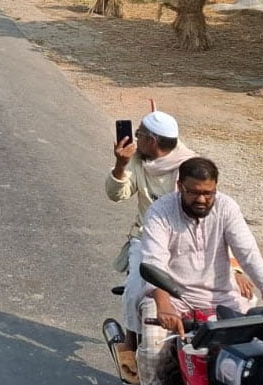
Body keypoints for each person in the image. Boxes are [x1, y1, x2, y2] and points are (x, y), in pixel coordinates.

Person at [137, 157, 263, 385]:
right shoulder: (159, 212)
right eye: (194, 192)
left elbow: (248, 254)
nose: (201, 199)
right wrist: (164, 305)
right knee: (153, 350)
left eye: (208, 193)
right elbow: (154, 262)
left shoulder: (227, 207)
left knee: (260, 351)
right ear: (180, 187)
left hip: (222, 296)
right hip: (173, 299)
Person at [105, 111, 199, 382]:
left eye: (140, 135)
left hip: (184, 241)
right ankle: (130, 344)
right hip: (145, 237)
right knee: (136, 290)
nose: (135, 139)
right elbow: (117, 195)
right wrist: (119, 165)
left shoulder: (190, 166)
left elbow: (212, 219)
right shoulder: (137, 160)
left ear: (153, 140)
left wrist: (235, 269)